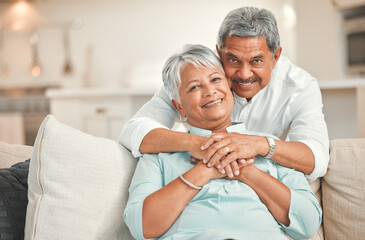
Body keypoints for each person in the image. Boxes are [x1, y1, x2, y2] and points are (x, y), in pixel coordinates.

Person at [123, 44, 322, 240]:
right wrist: (204, 171)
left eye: (216, 79)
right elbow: (141, 227)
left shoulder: (267, 147)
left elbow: (308, 222)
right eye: (194, 87)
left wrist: (246, 171)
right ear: (179, 107)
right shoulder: (159, 155)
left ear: (230, 87)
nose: (210, 91)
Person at [119, 6, 329, 181]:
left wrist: (260, 144)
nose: (244, 74)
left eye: (256, 61)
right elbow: (133, 131)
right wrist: (197, 144)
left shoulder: (300, 86)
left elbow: (317, 158)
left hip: (261, 181)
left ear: (276, 56)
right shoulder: (197, 74)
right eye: (233, 60)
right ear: (219, 53)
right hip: (204, 178)